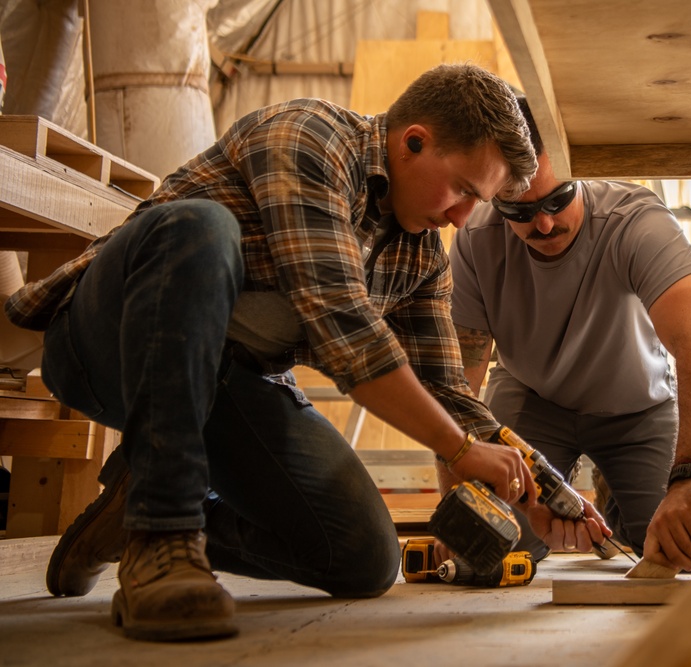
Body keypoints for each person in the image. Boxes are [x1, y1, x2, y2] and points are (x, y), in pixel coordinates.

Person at [3, 63, 601, 642]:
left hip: (229, 384)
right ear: (413, 142)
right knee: (200, 229)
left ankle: (144, 508)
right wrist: (461, 450)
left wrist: (546, 492)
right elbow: (344, 323)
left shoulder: (419, 259)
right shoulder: (310, 138)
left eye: (479, 203)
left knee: (364, 556)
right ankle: (163, 538)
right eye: (464, 191)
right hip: (107, 347)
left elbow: (449, 393)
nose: (460, 217)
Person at [440, 97, 691, 574]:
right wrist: (457, 500)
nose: (545, 223)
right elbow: (457, 380)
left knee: (676, 550)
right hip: (532, 400)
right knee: (489, 550)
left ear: (581, 177)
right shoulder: (474, 237)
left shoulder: (635, 221)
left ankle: (615, 490)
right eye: (521, 210)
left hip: (635, 407)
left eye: (558, 200)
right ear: (494, 196)